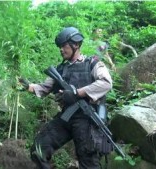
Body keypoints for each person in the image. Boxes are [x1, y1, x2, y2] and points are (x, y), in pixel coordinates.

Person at [26, 27, 113, 169]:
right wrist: (26, 86)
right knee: (39, 148)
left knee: (88, 163)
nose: (61, 49)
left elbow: (106, 83)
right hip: (66, 118)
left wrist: (77, 93)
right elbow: (43, 88)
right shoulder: (60, 69)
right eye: (60, 46)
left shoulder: (92, 63)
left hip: (87, 120)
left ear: (76, 45)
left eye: (64, 46)